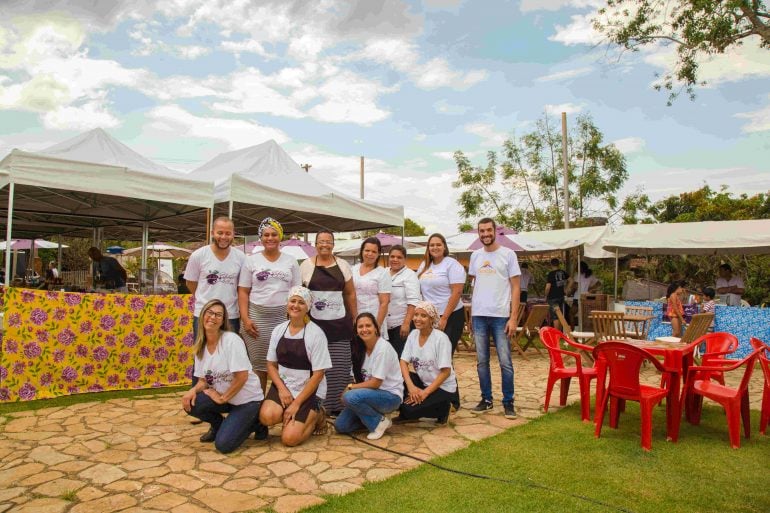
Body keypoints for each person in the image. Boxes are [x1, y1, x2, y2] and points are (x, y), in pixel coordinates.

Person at [181, 299, 267, 453]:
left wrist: (222, 398)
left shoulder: (231, 341)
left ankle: (255, 422)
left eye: (218, 315)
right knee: (192, 403)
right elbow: (203, 380)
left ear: (222, 321)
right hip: (227, 399)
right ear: (202, 315)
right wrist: (193, 390)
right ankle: (219, 424)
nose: (213, 317)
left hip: (247, 400)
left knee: (224, 445)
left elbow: (242, 377)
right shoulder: (201, 345)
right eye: (210, 312)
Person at [259, 286, 332, 446]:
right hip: (285, 387)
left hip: (309, 391)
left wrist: (296, 403)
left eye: (301, 302)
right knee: (267, 417)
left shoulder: (316, 334)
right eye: (293, 301)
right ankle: (291, 414)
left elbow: (319, 374)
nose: (296, 306)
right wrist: (282, 389)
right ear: (287, 303)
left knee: (289, 439)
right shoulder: (279, 330)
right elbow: (271, 365)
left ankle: (318, 415)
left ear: (308, 307)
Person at [238, 217, 300, 393]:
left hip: (283, 318)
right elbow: (243, 291)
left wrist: (294, 320)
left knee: (283, 364)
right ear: (261, 238)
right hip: (257, 318)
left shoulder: (291, 261)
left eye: (274, 234)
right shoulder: (251, 261)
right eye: (266, 235)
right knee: (258, 365)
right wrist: (245, 319)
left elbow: (296, 292)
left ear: (280, 237)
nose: (270, 238)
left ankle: (281, 404)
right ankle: (258, 407)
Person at [299, 230, 357, 416]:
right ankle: (319, 407)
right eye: (321, 241)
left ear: (333, 244)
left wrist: (355, 318)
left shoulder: (343, 265)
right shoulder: (306, 266)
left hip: (340, 325)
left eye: (328, 241)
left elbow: (350, 293)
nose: (325, 244)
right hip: (315, 325)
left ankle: (338, 406)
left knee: (340, 366)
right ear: (315, 244)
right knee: (317, 367)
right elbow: (300, 294)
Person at [467, 217, 520, 419]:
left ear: (495, 231)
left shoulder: (508, 254)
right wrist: (471, 315)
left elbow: (516, 287)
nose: (485, 234)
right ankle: (486, 399)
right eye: (481, 231)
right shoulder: (475, 257)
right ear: (478, 233)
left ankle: (508, 402)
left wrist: (513, 317)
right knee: (482, 361)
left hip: (500, 316)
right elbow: (475, 286)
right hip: (479, 315)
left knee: (505, 361)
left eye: (488, 230)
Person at [335, 313, 403, 440]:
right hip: (370, 395)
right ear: (356, 331)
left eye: (368, 325)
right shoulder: (360, 348)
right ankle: (377, 416)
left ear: (376, 328)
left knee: (350, 396)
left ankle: (378, 422)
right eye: (360, 327)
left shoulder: (382, 348)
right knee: (341, 426)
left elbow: (375, 383)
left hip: (390, 396)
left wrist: (350, 387)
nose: (364, 329)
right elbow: (359, 378)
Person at [184, 217, 245, 341]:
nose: (224, 237)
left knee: (228, 354)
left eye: (228, 233)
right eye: (220, 233)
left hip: (230, 315)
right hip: (204, 314)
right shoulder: (198, 255)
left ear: (233, 234)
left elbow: (241, 287)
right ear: (212, 233)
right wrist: (205, 299)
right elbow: (190, 283)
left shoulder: (241, 258)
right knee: (202, 354)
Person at [397, 301, 458, 424]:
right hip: (423, 383)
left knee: (408, 410)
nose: (418, 319)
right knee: (395, 380)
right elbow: (403, 362)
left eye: (423, 316)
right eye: (416, 315)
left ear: (431, 319)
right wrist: (411, 387)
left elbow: (445, 372)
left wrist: (425, 393)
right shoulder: (413, 335)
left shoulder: (441, 339)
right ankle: (412, 408)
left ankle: (444, 408)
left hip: (442, 387)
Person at [416, 233, 466, 353]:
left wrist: (444, 318)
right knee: (431, 354)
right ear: (428, 248)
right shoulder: (424, 265)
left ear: (444, 247)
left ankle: (448, 372)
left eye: (438, 244)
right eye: (432, 245)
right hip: (429, 316)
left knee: (444, 355)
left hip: (451, 316)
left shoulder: (452, 264)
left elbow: (457, 291)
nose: (435, 247)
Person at [352, 237, 391, 339]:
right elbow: (349, 295)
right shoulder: (353, 269)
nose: (370, 254)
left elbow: (384, 303)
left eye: (374, 251)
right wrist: (354, 319)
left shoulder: (383, 273)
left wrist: (376, 326)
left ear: (378, 254)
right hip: (356, 319)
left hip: (374, 319)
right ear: (362, 251)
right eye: (367, 250)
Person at [386, 245, 421, 357]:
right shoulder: (383, 272)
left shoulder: (410, 275)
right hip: (384, 325)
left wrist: (406, 323)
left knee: (398, 358)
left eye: (399, 257)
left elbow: (413, 301)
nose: (395, 260)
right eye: (392, 256)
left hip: (400, 325)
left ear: (404, 259)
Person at [567, 261, 601, 328]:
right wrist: (591, 289)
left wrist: (569, 293)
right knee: (586, 315)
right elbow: (599, 283)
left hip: (578, 297)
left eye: (577, 267)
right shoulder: (590, 275)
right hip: (587, 297)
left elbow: (575, 287)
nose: (576, 268)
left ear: (580, 268)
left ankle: (572, 331)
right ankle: (586, 329)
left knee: (571, 314)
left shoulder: (577, 275)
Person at [544, 258, 568, 329]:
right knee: (560, 314)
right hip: (561, 296)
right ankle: (560, 332)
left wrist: (545, 295)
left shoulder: (551, 274)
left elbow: (548, 287)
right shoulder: (563, 272)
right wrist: (567, 289)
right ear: (558, 264)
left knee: (555, 316)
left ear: (551, 264)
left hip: (552, 297)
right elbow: (571, 280)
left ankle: (556, 333)